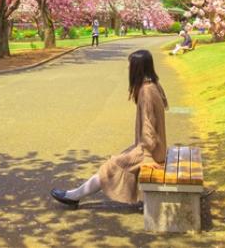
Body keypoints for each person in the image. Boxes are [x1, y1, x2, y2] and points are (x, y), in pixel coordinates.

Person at [50, 49, 168, 208]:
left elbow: (148, 127)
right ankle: (76, 195)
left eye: (130, 65)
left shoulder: (146, 91)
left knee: (112, 165)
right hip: (154, 147)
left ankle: (74, 196)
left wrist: (147, 157)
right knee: (120, 159)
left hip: (150, 150)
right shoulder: (153, 84)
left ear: (137, 68)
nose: (128, 69)